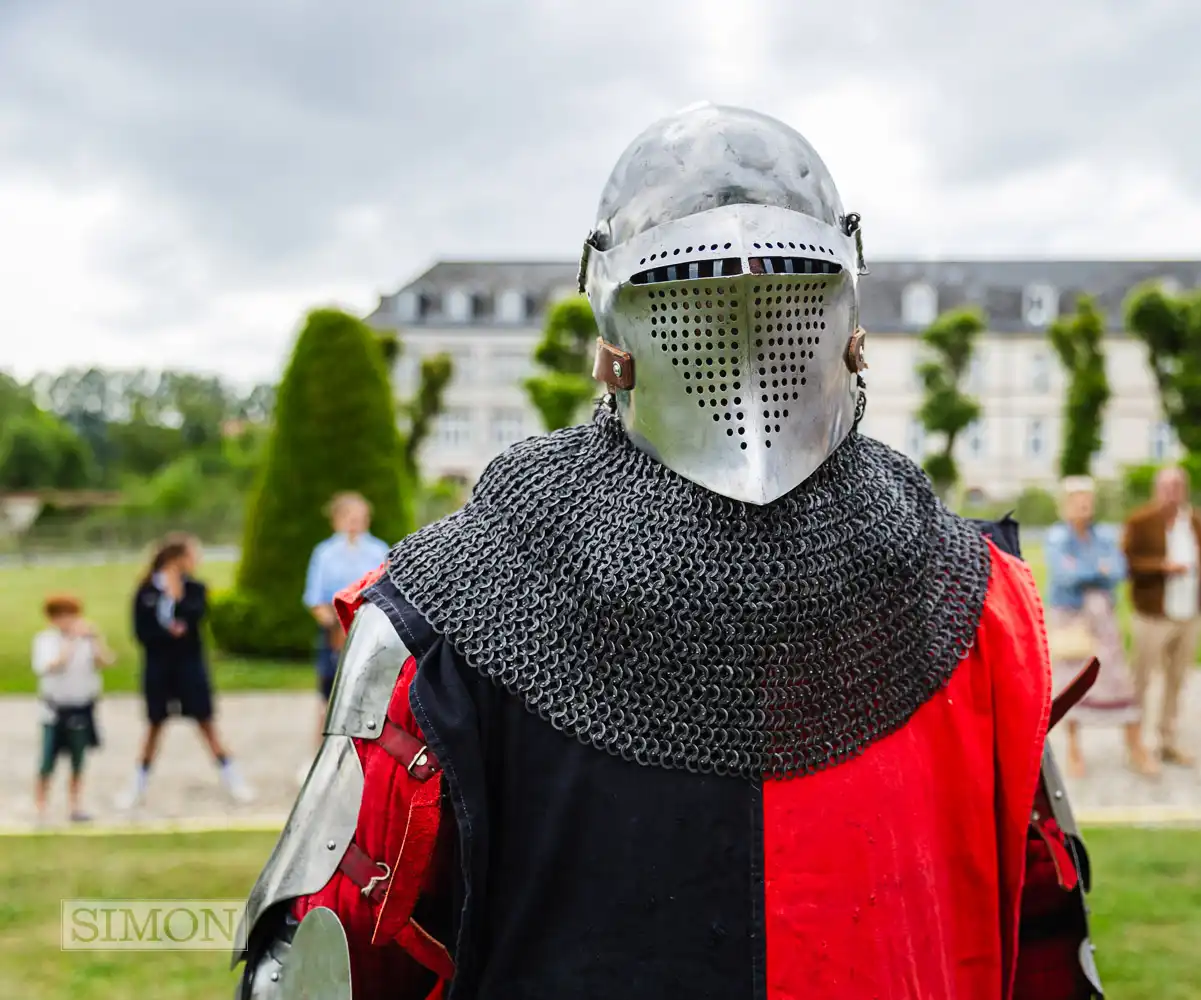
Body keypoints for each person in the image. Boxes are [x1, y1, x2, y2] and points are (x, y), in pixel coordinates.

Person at [235, 104, 1104, 1000]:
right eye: (694, 286)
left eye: (780, 285)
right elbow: (327, 962)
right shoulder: (464, 605)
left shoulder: (972, 597)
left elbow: (1046, 940)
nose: (743, 334)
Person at [119, 533, 254, 809]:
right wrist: (168, 631)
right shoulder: (145, 591)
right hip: (159, 668)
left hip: (189, 667)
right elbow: (141, 631)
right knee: (155, 725)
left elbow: (194, 618)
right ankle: (137, 784)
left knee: (206, 723)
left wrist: (177, 598)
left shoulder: (195, 589)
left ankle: (232, 778)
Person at [1044, 475, 1152, 777]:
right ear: (1065, 505)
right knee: (1073, 680)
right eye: (1078, 500)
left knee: (1118, 678)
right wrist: (1097, 570)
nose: (1084, 506)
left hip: (1103, 618)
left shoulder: (1103, 535)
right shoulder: (1057, 537)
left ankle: (1135, 745)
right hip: (1071, 618)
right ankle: (1075, 750)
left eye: (1088, 500)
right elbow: (1065, 575)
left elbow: (1118, 569)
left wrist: (1089, 570)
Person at [1121, 465, 1201, 767]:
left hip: (1189, 613)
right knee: (1142, 680)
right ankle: (1137, 742)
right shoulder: (1141, 521)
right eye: (1167, 486)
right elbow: (1127, 563)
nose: (1173, 492)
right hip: (1154, 614)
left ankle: (1167, 738)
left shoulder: (1194, 520)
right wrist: (1162, 566)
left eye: (1178, 485)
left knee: (1177, 679)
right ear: (1157, 489)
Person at [32, 594, 114, 822]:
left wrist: (95, 640)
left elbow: (105, 661)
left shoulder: (87, 641)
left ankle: (75, 805)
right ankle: (41, 805)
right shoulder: (45, 641)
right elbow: (52, 665)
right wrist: (70, 642)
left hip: (81, 707)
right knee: (48, 759)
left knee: (79, 759)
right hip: (55, 710)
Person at [303, 492, 390, 705]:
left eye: (359, 519)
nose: (354, 524)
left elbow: (387, 590)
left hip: (370, 626)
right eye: (349, 518)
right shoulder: (324, 553)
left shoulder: (379, 550)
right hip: (334, 629)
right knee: (330, 693)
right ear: (336, 521)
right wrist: (336, 625)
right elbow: (315, 597)